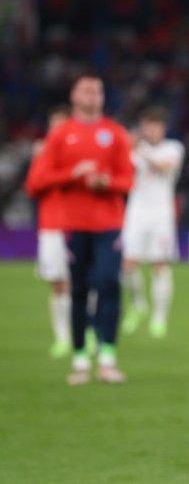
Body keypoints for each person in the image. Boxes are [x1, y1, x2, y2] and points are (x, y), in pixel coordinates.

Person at [29, 75, 134, 385]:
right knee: (78, 289)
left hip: (109, 224)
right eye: (86, 90)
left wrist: (106, 182)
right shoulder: (61, 135)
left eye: (98, 90)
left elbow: (128, 180)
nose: (92, 95)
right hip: (73, 225)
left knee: (108, 284)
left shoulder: (114, 133)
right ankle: (79, 359)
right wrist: (71, 174)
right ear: (74, 96)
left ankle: (107, 356)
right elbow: (36, 182)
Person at [121, 108, 184, 338]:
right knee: (128, 264)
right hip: (136, 212)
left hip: (161, 214)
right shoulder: (132, 152)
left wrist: (138, 146)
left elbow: (163, 166)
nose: (152, 130)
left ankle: (159, 317)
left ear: (163, 128)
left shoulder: (174, 148)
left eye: (156, 126)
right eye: (148, 126)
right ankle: (138, 305)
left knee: (160, 264)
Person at [24, 106, 72, 358]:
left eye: (61, 125)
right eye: (53, 125)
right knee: (58, 283)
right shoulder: (42, 154)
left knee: (81, 282)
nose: (56, 130)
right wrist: (63, 175)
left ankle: (84, 333)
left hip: (79, 224)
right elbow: (32, 186)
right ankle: (62, 337)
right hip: (51, 225)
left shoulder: (80, 152)